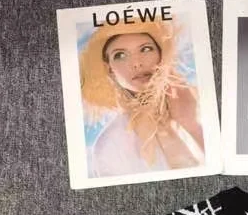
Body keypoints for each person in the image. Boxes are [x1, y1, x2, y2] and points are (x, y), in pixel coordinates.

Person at [79, 20, 205, 177]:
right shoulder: (109, 144)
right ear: (109, 69)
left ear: (161, 54)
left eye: (146, 49)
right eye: (120, 55)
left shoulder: (201, 104)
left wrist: (192, 124)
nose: (137, 63)